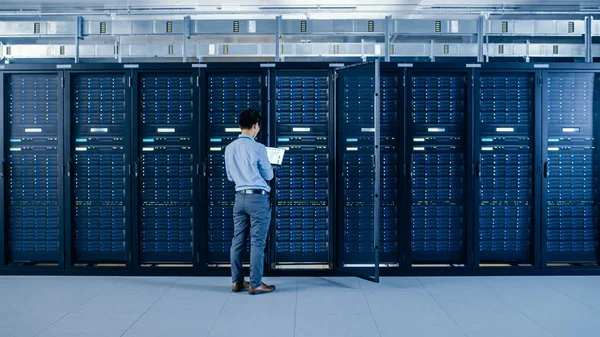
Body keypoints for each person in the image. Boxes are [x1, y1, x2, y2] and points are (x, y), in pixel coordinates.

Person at [224, 108, 276, 295]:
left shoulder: (229, 148)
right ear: (255, 126)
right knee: (257, 242)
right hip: (257, 198)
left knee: (237, 241)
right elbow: (268, 175)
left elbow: (230, 177)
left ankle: (237, 282)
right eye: (258, 126)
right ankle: (255, 284)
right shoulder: (258, 148)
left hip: (239, 199)